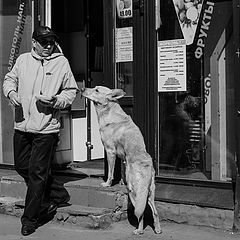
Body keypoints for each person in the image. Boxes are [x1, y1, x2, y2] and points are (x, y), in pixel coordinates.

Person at [3, 26, 79, 236]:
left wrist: (56, 101)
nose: (48, 46)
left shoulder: (61, 62)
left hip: (47, 128)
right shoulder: (23, 60)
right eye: (44, 42)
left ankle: (30, 219)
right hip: (23, 124)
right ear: (34, 42)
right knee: (21, 167)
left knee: (37, 174)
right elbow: (9, 80)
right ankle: (58, 194)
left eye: (51, 42)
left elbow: (71, 91)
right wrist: (11, 92)